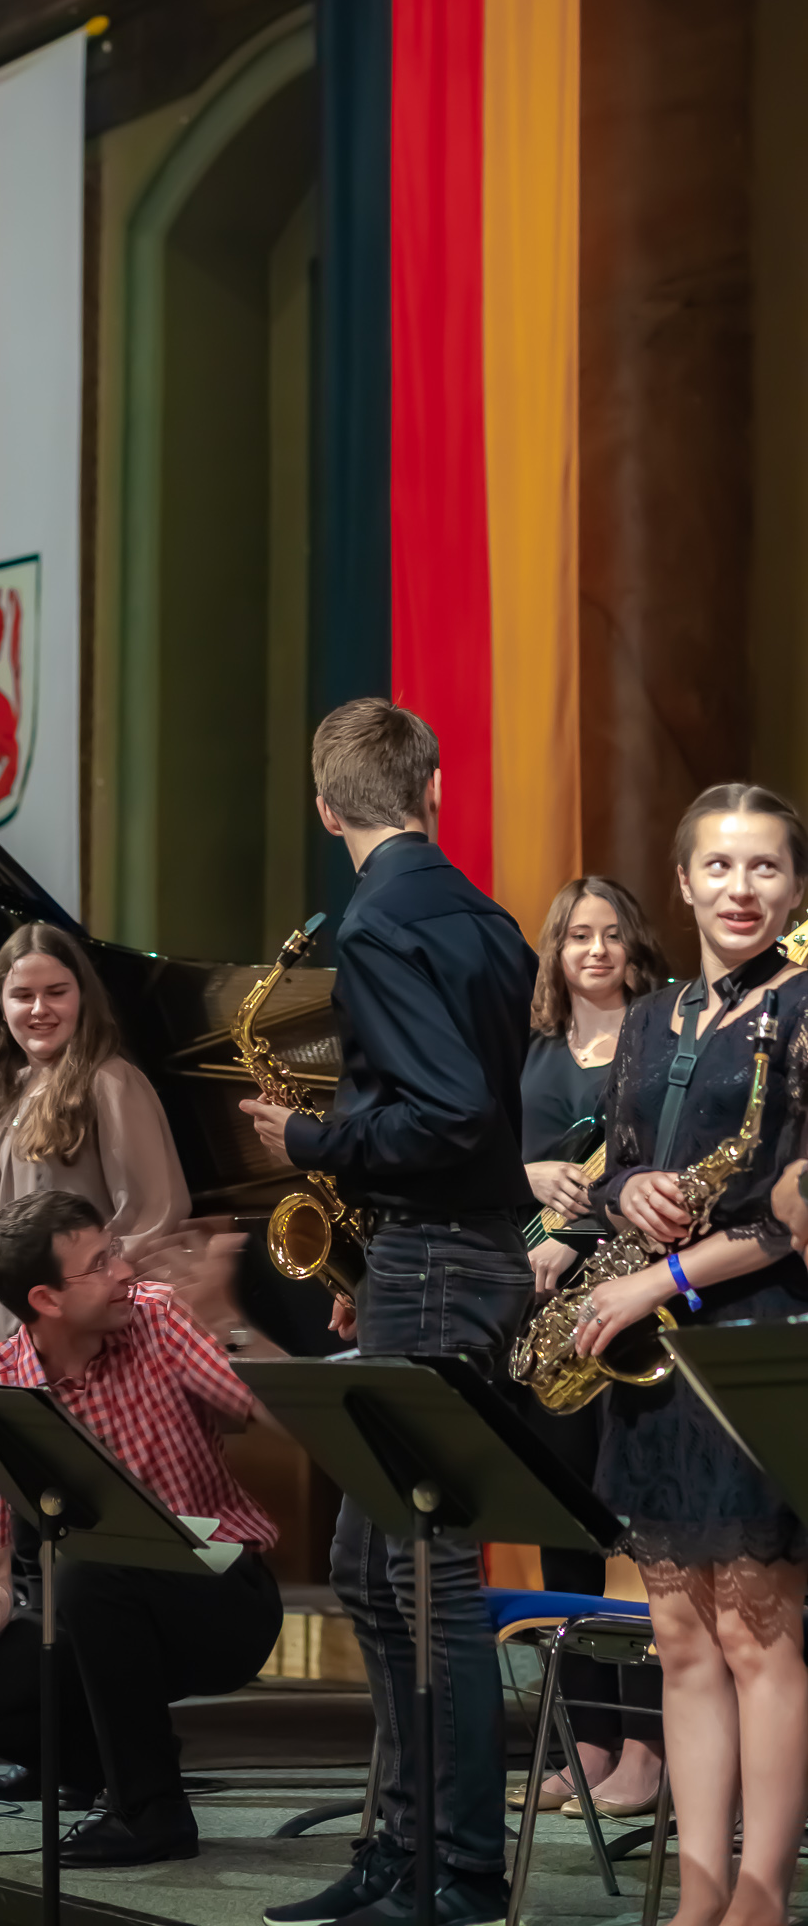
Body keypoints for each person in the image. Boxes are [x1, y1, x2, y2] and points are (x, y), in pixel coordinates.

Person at [243, 697, 537, 1926]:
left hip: (436, 1259)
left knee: (425, 1573)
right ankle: (398, 1848)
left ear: (325, 807)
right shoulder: (489, 916)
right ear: (434, 789)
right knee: (373, 1565)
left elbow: (452, 1112)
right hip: (454, 1254)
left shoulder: (375, 924)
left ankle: (457, 1871)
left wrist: (311, 1136)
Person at [570, 784, 808, 1926]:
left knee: (760, 1636)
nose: (740, 888)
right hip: (656, 1356)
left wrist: (653, 1279)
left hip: (754, 1340)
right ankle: (696, 1896)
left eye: (764, 867)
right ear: (682, 882)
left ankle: (759, 1893)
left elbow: (790, 1216)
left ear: (796, 887)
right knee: (679, 1635)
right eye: (718, 866)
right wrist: (627, 1189)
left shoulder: (803, 1009)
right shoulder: (654, 1016)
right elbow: (617, 1156)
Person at [0, 1188, 284, 1866]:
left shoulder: (159, 1318)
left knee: (89, 1563)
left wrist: (227, 1318)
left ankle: (151, 1813)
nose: (124, 1271)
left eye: (114, 1252)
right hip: (91, 1614)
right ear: (45, 1299)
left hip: (220, 1594)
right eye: (100, 1263)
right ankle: (112, 1766)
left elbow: (283, 1415)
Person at [514, 878, 667, 1818]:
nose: (596, 950)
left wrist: (570, 1235)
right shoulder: (531, 1049)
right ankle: (588, 1742)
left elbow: (662, 1162)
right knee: (561, 1529)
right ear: (556, 950)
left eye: (611, 934)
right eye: (578, 935)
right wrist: (526, 1176)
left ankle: (647, 1746)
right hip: (545, 1314)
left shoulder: (659, 1039)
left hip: (627, 1298)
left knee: (638, 1534)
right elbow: (491, 1156)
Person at [0, 921, 190, 1353]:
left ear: (83, 997)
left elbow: (153, 1218)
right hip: (7, 1345)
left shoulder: (110, 1082)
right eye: (22, 995)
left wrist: (83, 1285)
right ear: (1, 1007)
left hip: (79, 1346)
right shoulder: (4, 1092)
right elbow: (8, 1221)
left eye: (56, 992)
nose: (39, 1009)